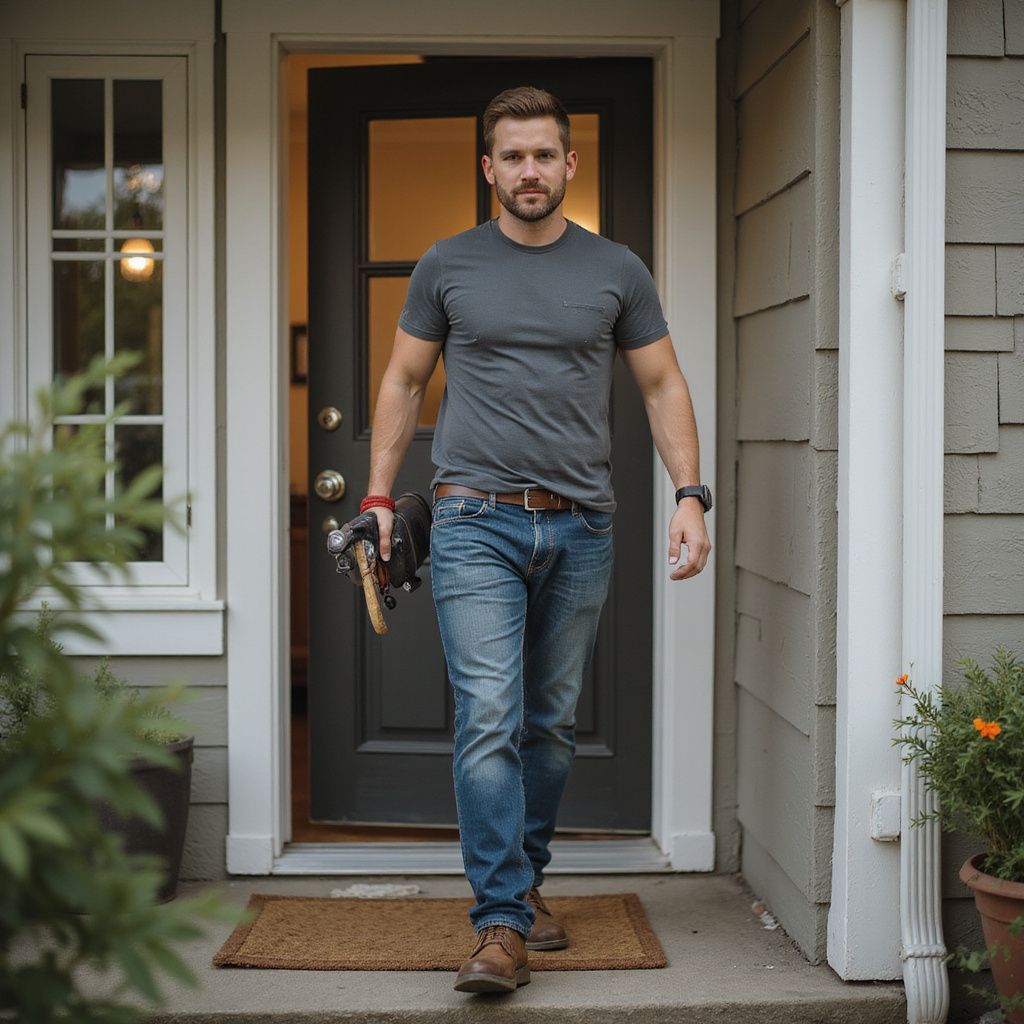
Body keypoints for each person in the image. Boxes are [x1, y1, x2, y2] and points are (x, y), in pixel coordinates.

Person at [361, 85, 711, 994]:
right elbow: (403, 380)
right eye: (512, 156)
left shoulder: (616, 270)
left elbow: (664, 385)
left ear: (569, 164)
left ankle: (525, 884)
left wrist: (691, 494)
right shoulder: (447, 265)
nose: (528, 171)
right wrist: (380, 494)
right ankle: (502, 926)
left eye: (543, 155)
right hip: (475, 518)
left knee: (547, 726)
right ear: (489, 168)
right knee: (488, 716)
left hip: (582, 526)